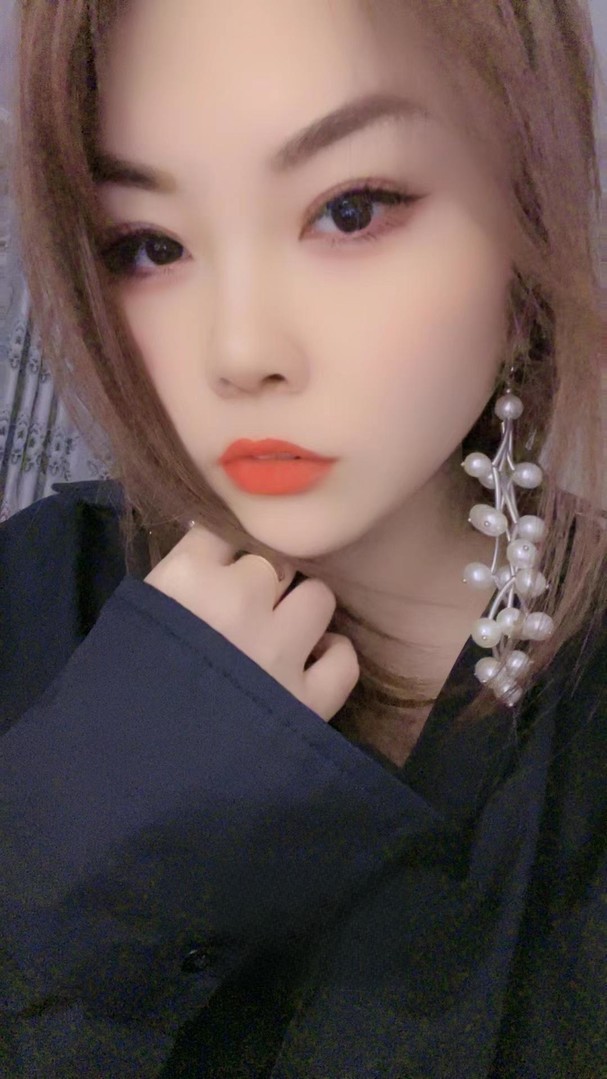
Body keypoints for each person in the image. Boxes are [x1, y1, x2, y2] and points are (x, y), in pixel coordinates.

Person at [2, 0, 606, 1075]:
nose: (239, 351)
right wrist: (75, 869)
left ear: (529, 220)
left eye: (349, 211)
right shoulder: (35, 592)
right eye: (149, 244)